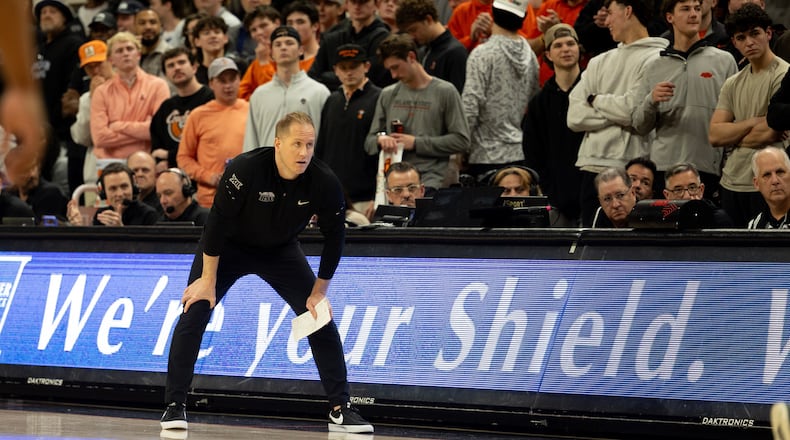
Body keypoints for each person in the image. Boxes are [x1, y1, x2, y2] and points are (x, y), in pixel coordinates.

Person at [160, 112, 374, 434]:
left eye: (309, 145)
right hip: (228, 247)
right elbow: (216, 223)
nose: (303, 153)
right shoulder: (246, 168)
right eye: (296, 144)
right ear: (278, 144)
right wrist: (207, 279)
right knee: (195, 309)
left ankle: (340, 408)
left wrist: (319, 292)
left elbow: (335, 238)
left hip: (280, 250)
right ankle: (175, 405)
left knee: (318, 317)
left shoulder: (324, 181)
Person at [567, 0, 667, 226]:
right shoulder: (598, 61)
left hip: (634, 166)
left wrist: (596, 99)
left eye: (610, 13)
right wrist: (619, 114)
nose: (607, 21)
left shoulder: (658, 57)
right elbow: (574, 116)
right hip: (592, 166)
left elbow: (633, 111)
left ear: (628, 10)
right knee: (593, 241)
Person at [632, 0, 736, 203]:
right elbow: (639, 124)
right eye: (686, 9)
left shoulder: (724, 61)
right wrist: (651, 100)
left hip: (708, 170)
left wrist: (727, 164)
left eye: (697, 8)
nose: (694, 14)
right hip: (665, 170)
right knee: (667, 220)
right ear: (670, 17)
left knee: (704, 222)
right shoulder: (654, 66)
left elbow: (734, 118)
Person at [709, 3, 789, 226]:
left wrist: (733, 134)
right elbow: (715, 135)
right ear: (734, 42)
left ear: (768, 33)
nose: (749, 42)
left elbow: (769, 132)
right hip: (731, 181)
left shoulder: (784, 74)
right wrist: (754, 122)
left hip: (770, 182)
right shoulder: (733, 82)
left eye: (755, 34)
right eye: (741, 37)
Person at [365, 33, 470, 191]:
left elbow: (462, 141)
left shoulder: (445, 91)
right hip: (395, 181)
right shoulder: (388, 94)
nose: (393, 75)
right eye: (390, 70)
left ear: (411, 57)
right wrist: (381, 139)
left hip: (432, 179)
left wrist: (415, 143)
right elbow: (369, 142)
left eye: (396, 67)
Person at [462, 0, 539, 181]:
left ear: (493, 12)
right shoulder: (530, 55)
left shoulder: (482, 54)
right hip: (518, 152)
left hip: (485, 155)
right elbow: (534, 99)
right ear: (522, 19)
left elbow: (470, 105)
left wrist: (460, 149)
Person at [523, 23, 584, 227]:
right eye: (558, 45)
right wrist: (547, 188)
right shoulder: (539, 103)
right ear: (548, 54)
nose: (565, 49)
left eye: (570, 44)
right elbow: (533, 152)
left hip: (592, 192)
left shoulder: (595, 92)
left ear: (579, 49)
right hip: (556, 197)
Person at [315, 44, 381, 217]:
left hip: (365, 198)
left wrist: (378, 196)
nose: (349, 72)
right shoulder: (332, 100)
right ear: (335, 70)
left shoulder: (379, 98)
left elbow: (383, 154)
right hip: (331, 196)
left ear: (366, 66)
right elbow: (321, 148)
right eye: (343, 68)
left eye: (354, 66)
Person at [243, 26, 330, 151]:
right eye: (278, 44)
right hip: (268, 163)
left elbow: (327, 141)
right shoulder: (259, 95)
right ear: (271, 53)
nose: (283, 47)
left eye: (289, 43)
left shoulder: (319, 92)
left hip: (307, 162)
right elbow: (251, 141)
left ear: (301, 50)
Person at [178, 57, 248, 207]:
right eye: (222, 81)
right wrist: (209, 177)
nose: (228, 86)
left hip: (247, 197)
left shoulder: (252, 111)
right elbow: (183, 158)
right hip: (210, 200)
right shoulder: (198, 116)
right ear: (211, 83)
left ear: (239, 80)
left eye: (232, 79)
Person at [90, 32, 171, 160]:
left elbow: (159, 130)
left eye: (130, 49)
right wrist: (143, 129)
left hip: (146, 161)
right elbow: (99, 138)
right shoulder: (101, 91)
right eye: (119, 51)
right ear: (110, 60)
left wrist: (116, 126)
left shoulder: (158, 86)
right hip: (110, 163)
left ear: (138, 54)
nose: (126, 53)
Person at [33, 0, 85, 185]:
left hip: (62, 132)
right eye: (43, 12)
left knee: (60, 178)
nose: (47, 15)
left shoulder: (73, 45)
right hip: (37, 129)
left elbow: (73, 87)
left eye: (53, 11)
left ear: (65, 18)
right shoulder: (37, 49)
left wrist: (57, 117)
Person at [151, 47, 215, 172]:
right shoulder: (166, 107)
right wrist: (162, 161)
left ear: (194, 67)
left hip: (206, 170)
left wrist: (169, 155)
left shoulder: (211, 99)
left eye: (181, 62)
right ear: (166, 75)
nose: (177, 68)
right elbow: (157, 150)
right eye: (171, 65)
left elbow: (208, 143)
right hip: (175, 175)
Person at [308, 0, 392, 90]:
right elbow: (313, 76)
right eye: (353, 2)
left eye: (363, 2)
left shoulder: (383, 38)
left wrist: (326, 76)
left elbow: (371, 77)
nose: (357, 7)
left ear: (376, 4)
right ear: (346, 4)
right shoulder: (333, 37)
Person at [70, 39, 116, 195]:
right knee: (92, 210)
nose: (95, 71)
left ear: (110, 61)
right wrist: (92, 100)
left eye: (99, 64)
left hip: (124, 172)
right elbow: (82, 138)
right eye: (90, 67)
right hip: (93, 177)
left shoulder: (128, 91)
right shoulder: (85, 99)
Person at [396, 0, 467, 93]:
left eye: (413, 30)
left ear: (428, 19)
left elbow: (458, 97)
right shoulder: (424, 51)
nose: (412, 36)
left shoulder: (455, 53)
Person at [66, 162, 159, 226]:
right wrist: (79, 227)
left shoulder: (149, 215)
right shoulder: (101, 215)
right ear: (104, 193)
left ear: (133, 187)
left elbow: (145, 248)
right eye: (113, 189)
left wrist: (120, 230)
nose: (119, 193)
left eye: (124, 186)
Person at [2, 148, 68, 222]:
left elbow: (44, 226)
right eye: (26, 170)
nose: (32, 175)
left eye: (34, 167)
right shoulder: (7, 195)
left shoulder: (50, 192)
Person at [662, 162, 734, 227]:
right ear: (667, 195)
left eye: (692, 188)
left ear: (701, 190)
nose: (687, 196)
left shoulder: (719, 219)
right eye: (678, 190)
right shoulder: (661, 220)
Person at [237, 6, 282, 100]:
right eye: (253, 30)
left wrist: (264, 63)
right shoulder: (256, 62)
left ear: (277, 23)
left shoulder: (293, 55)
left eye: (263, 26)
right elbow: (241, 94)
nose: (259, 32)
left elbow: (277, 95)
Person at [192, 15, 248, 85]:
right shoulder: (194, 74)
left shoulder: (240, 66)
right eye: (206, 33)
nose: (213, 36)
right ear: (197, 42)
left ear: (225, 38)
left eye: (217, 32)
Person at [747, 147, 790, 228]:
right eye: (767, 175)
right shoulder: (754, 226)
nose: (775, 181)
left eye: (780, 172)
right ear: (757, 184)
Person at [136, 9, 174, 79]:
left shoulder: (171, 54)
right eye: (142, 23)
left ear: (161, 26)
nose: (148, 27)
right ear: (135, 27)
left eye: (153, 22)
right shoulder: (129, 55)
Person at [284, 1, 322, 68]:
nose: (294, 28)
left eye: (300, 22)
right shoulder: (284, 60)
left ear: (315, 26)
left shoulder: (324, 58)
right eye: (290, 23)